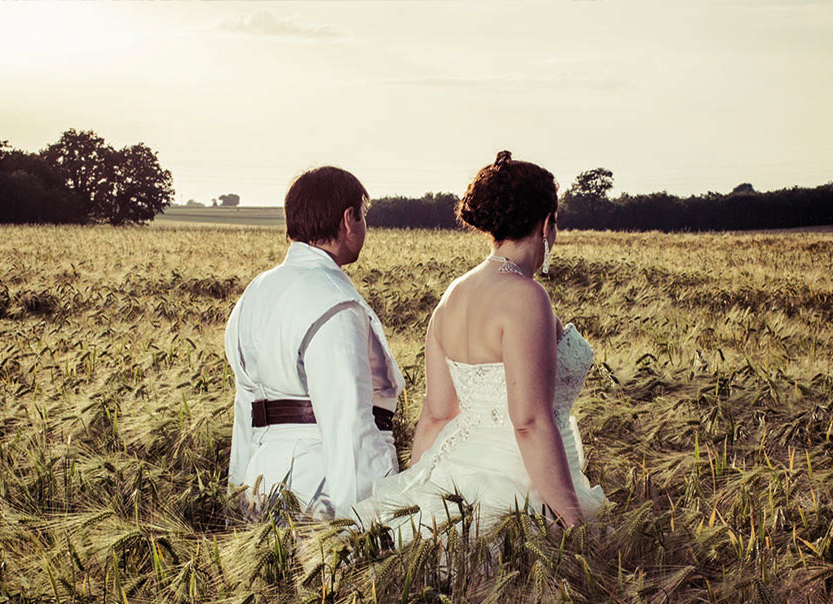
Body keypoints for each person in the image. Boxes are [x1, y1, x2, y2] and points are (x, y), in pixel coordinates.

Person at [352, 151, 606, 540]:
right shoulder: (526, 296)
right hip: (521, 485)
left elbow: (436, 416)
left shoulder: (451, 297)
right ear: (545, 224)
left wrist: (414, 498)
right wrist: (574, 524)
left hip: (459, 475)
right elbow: (529, 423)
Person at [225, 166, 405, 519]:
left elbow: (246, 411)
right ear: (349, 219)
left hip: (261, 479)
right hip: (322, 484)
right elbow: (348, 425)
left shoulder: (252, 295)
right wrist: (362, 522)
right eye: (363, 215)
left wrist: (239, 498)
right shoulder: (334, 301)